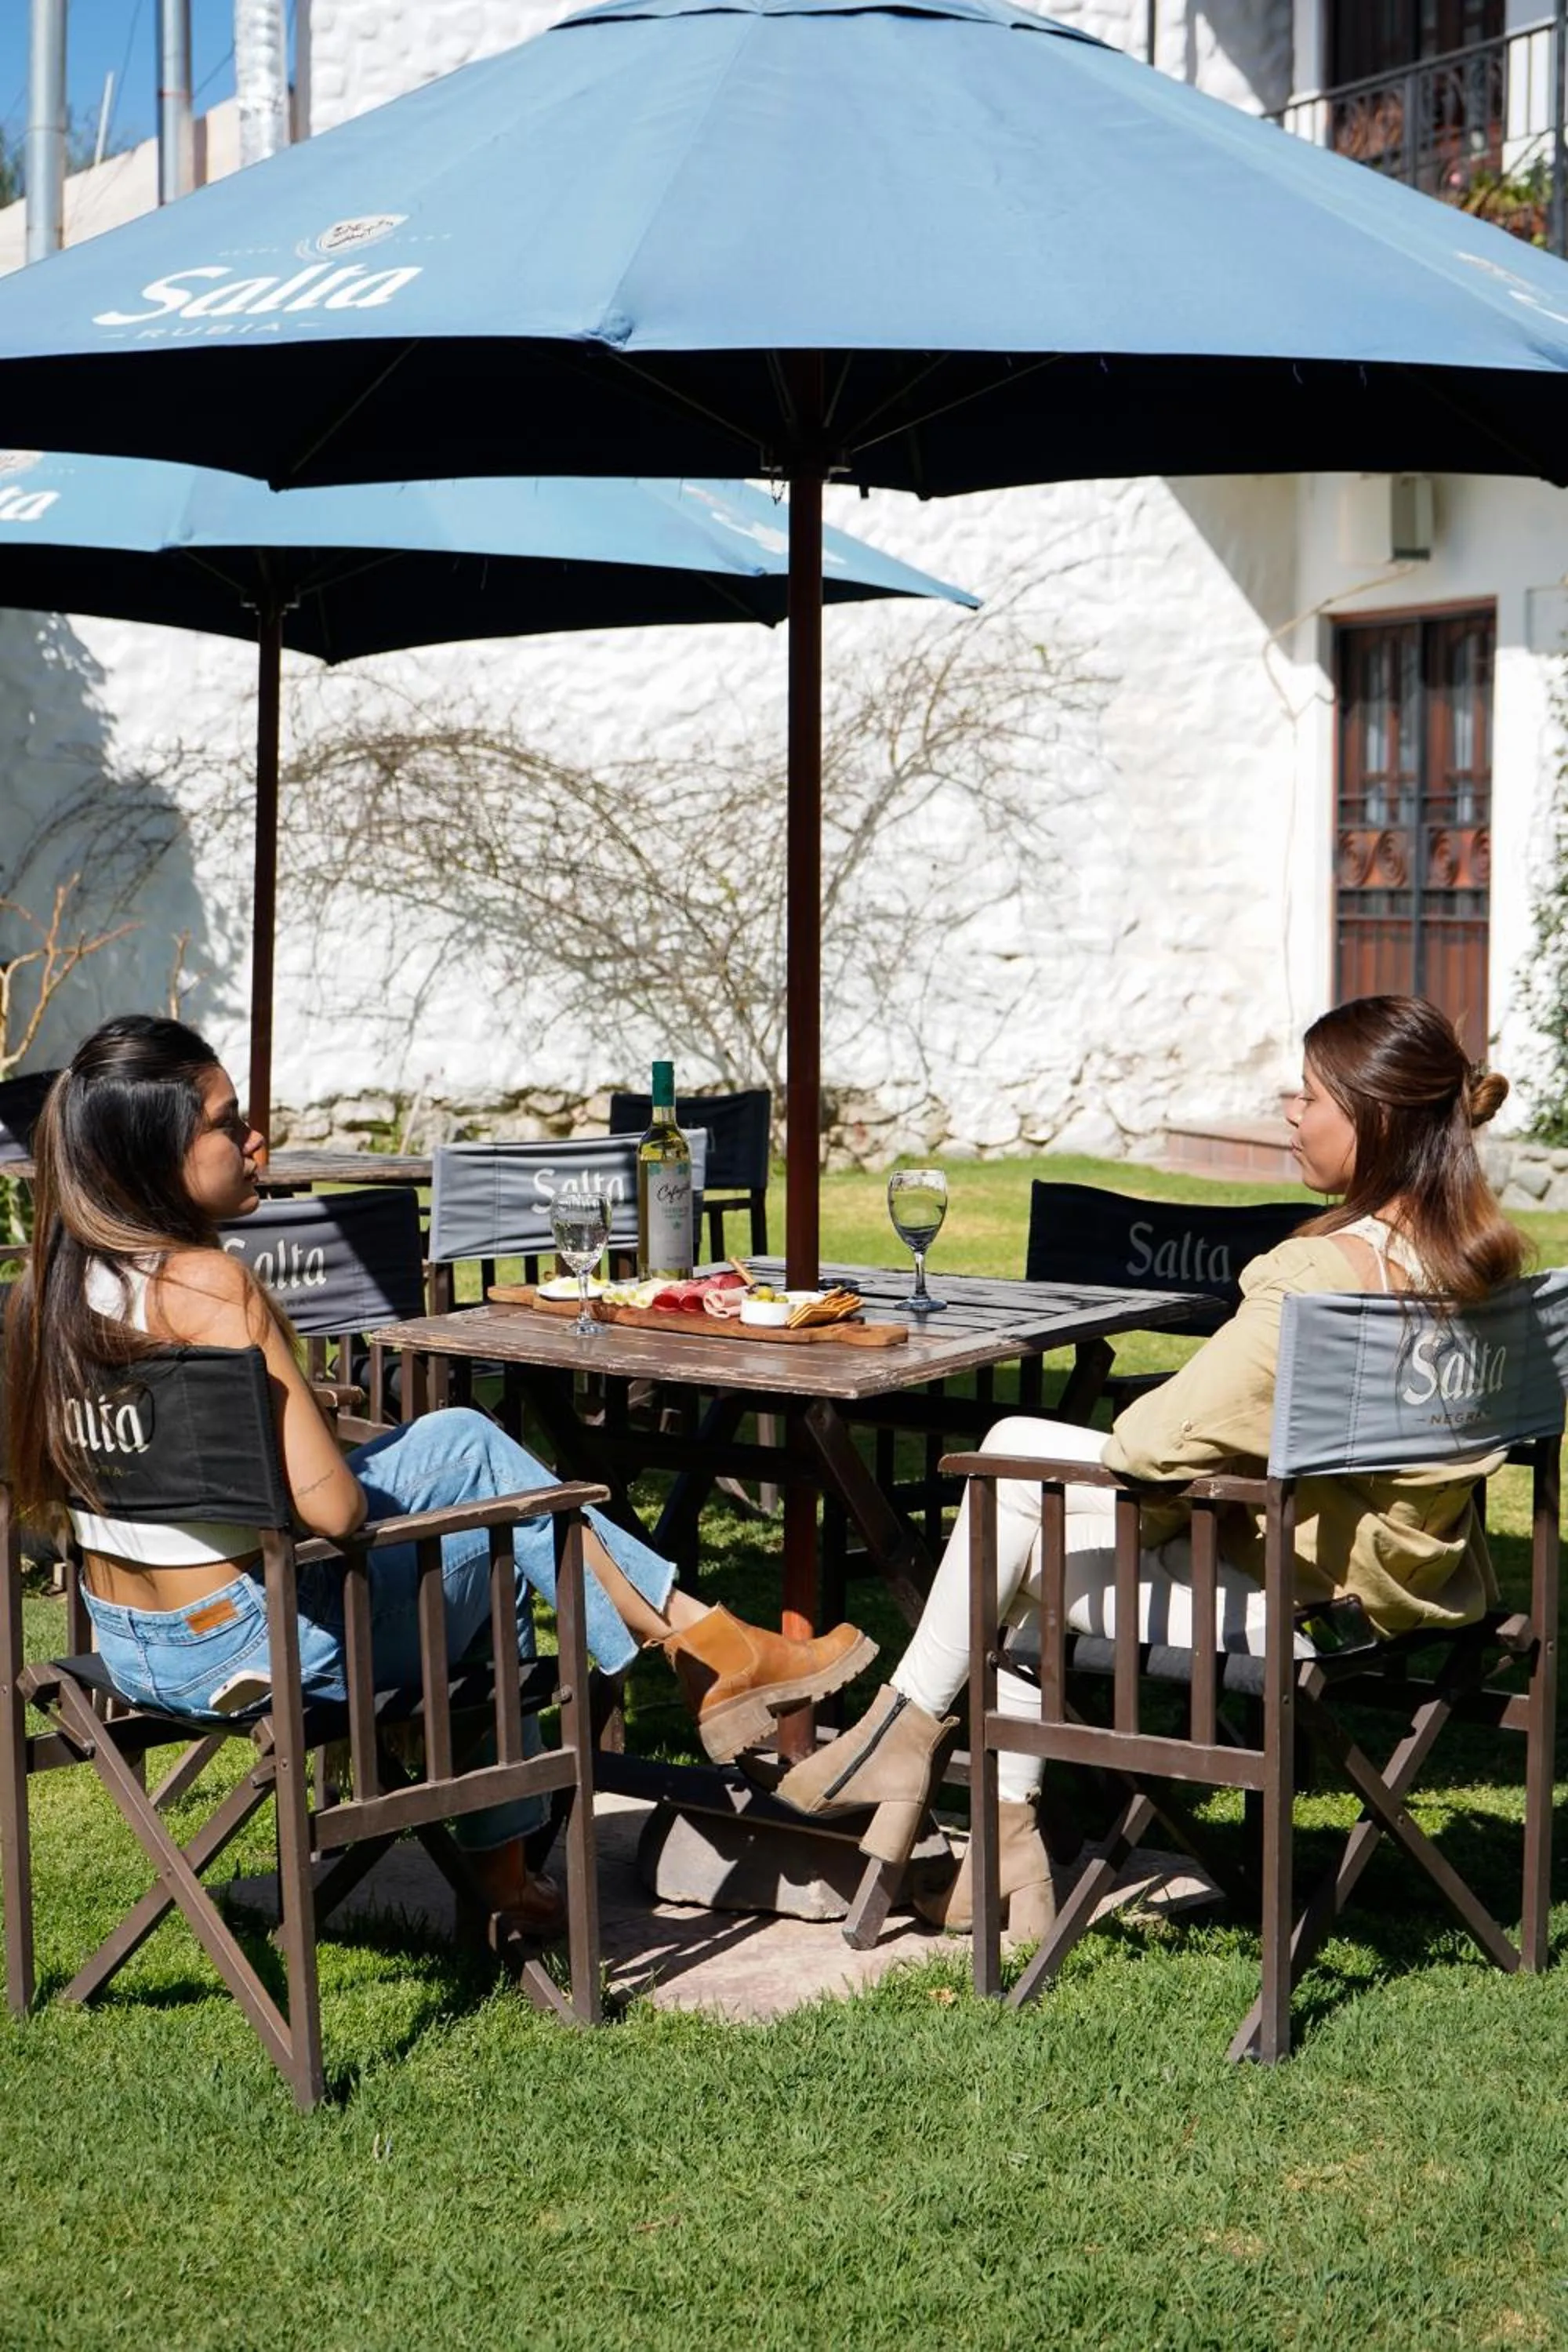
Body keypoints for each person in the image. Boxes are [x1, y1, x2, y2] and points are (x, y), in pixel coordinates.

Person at [3, 1015, 875, 1937]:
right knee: (499, 1522)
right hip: (251, 1653)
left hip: (122, 1644)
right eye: (228, 1123)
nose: (257, 1138)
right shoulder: (212, 1290)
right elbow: (335, 1513)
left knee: (469, 1463)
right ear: (152, 1155)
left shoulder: (42, 1298)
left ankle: (689, 1669)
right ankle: (680, 1673)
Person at [778, 994, 1524, 1935]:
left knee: (1005, 1501)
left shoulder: (1319, 1281)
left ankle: (922, 1749)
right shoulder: (1472, 1262)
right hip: (1415, 1589)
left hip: (1300, 1606)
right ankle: (985, 1827)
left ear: (1372, 1119)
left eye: (1305, 1098)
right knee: (1011, 1496)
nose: (1288, 1115)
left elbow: (1148, 1446)